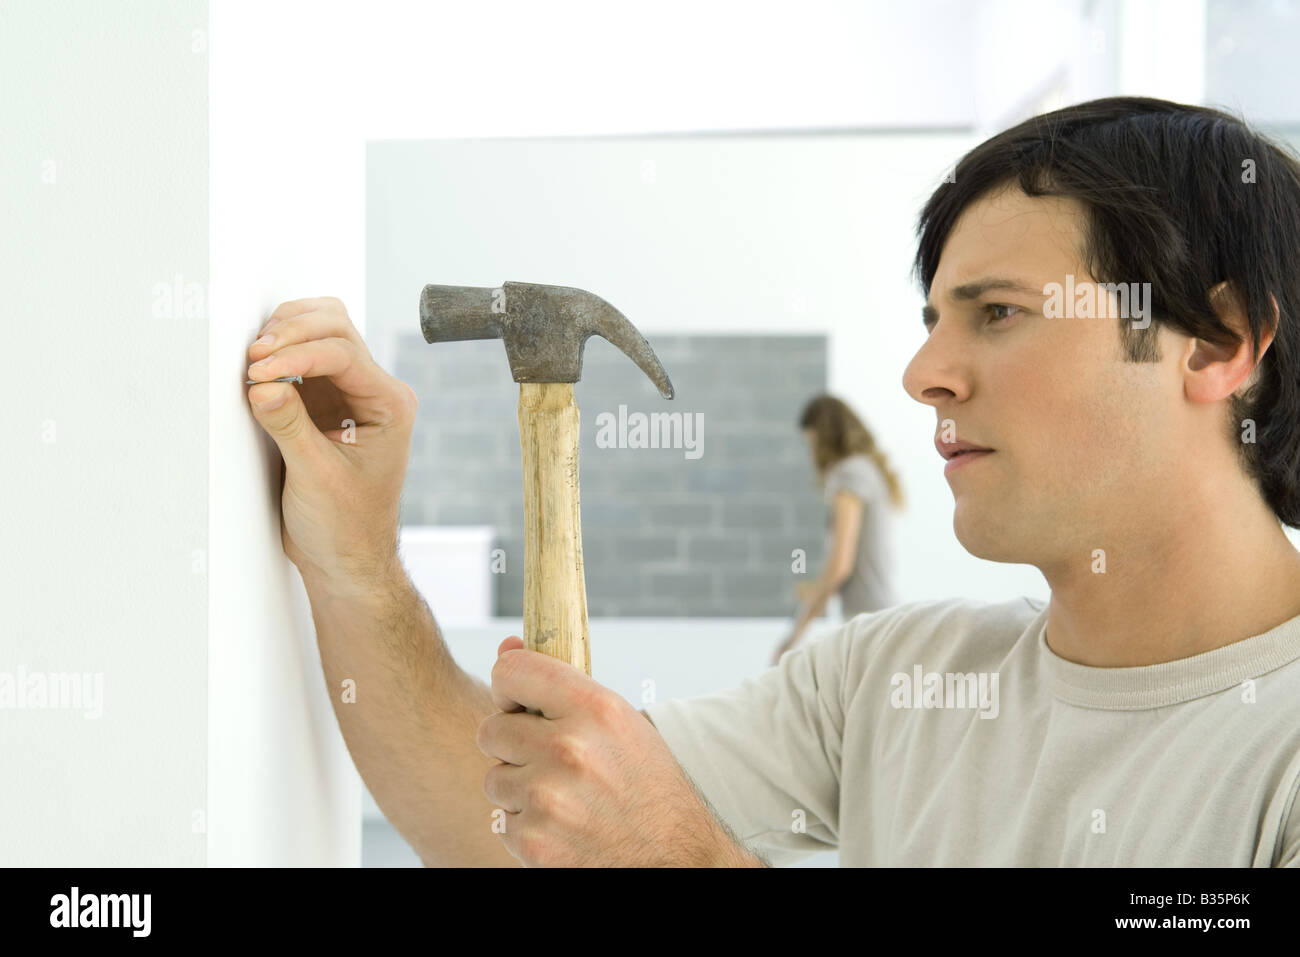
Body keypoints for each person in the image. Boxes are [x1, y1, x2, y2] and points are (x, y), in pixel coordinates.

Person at [246, 96, 1300, 867]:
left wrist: (686, 859)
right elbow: (512, 831)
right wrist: (355, 558)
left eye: (999, 313)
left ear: (1215, 344)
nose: (923, 372)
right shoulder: (896, 675)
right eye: (935, 318)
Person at [771, 394, 903, 665]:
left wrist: (794, 636)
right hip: (880, 614)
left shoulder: (849, 475)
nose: (812, 454)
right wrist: (816, 590)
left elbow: (840, 565)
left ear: (823, 437)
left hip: (868, 621)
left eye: (812, 443)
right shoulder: (867, 470)